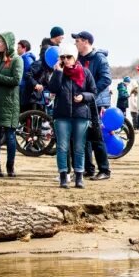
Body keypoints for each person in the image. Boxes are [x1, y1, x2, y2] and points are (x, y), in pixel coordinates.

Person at [46, 46, 96, 189]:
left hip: (81, 115)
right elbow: (53, 89)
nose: (66, 60)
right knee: (62, 147)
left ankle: (79, 176)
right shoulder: (58, 73)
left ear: (75, 58)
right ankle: (63, 175)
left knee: (79, 147)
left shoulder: (85, 73)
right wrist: (58, 72)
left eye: (69, 57)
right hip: (62, 115)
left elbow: (93, 92)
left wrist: (83, 96)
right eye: (63, 57)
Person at [75, 31, 112, 181]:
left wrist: (91, 91)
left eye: (77, 41)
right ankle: (88, 169)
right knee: (84, 136)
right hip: (81, 101)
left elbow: (107, 78)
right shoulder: (78, 58)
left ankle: (104, 170)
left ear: (86, 42)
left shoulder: (99, 58)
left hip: (95, 102)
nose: (75, 44)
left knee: (96, 136)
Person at [0, 32, 23, 177]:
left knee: (10, 135)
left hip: (10, 103)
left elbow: (16, 80)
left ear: (8, 43)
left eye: (0, 42)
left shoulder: (17, 60)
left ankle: (10, 166)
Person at [17, 39, 36, 113]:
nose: (17, 49)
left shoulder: (26, 58)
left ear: (24, 48)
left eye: (19, 47)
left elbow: (29, 72)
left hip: (24, 88)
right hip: (22, 87)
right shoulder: (23, 57)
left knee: (23, 110)